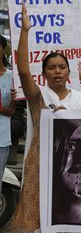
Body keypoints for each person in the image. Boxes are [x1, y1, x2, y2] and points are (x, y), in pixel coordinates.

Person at [11, 4, 81, 231]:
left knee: (68, 217)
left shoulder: (79, 97)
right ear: (44, 73)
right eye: (51, 68)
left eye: (61, 67)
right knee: (39, 218)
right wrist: (25, 31)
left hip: (73, 167)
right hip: (41, 163)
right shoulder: (39, 96)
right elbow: (23, 71)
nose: (57, 71)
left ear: (69, 73)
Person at [0, 35, 16, 202]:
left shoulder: (12, 77)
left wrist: (11, 101)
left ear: (3, 50)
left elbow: (12, 111)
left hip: (1, 138)